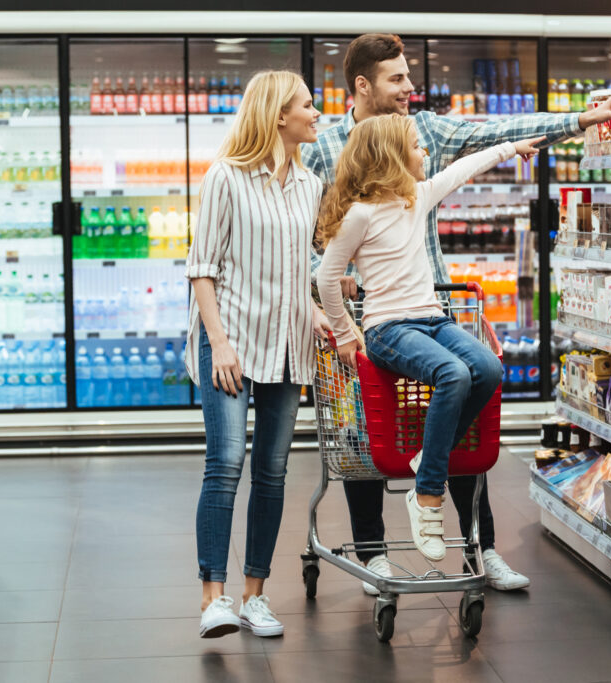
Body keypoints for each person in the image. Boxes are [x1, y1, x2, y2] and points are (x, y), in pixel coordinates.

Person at [303, 33, 611, 592]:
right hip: (371, 316)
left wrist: (582, 119)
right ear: (362, 85)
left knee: (463, 411)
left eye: (409, 78)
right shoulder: (325, 146)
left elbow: (493, 135)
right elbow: (309, 230)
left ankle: (480, 549)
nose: (411, 89)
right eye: (397, 80)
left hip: (433, 301)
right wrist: (331, 289)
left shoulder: (426, 132)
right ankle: (374, 554)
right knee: (362, 437)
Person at [317, 114, 541, 560]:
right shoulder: (359, 214)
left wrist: (512, 149)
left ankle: (426, 457)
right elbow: (327, 278)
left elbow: (465, 168)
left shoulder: (416, 198)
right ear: (391, 158)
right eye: (417, 147)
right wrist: (345, 332)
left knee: (490, 368)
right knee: (454, 374)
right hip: (387, 328)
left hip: (433, 319)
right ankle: (428, 494)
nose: (425, 154)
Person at [186, 70, 331, 640]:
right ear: (277, 115)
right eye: (307, 105)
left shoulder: (311, 184)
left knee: (272, 472)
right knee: (225, 463)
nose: (317, 113)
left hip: (289, 343)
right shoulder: (225, 177)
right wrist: (218, 342)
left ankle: (255, 596)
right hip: (232, 341)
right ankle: (213, 598)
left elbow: (301, 267)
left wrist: (315, 308)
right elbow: (202, 267)